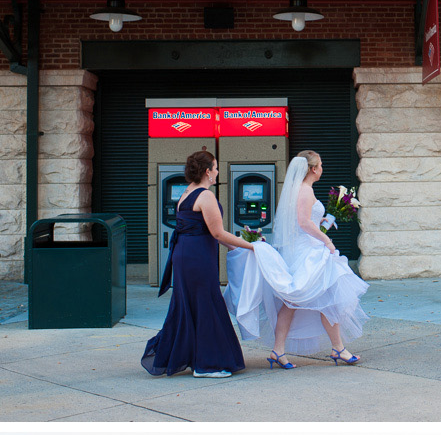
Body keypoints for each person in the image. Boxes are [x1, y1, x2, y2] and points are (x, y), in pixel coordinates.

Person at [234, 149, 368, 367]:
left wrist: (324, 220)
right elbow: (304, 223)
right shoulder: (305, 190)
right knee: (316, 299)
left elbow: (303, 221)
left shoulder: (301, 190)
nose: (322, 169)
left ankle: (288, 350)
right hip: (309, 253)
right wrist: (327, 241)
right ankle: (336, 349)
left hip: (304, 250)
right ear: (313, 169)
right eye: (321, 165)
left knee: (302, 302)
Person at [141, 149, 256, 379]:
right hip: (198, 257)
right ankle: (207, 364)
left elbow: (204, 230)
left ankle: (196, 359)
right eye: (215, 167)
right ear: (207, 171)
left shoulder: (187, 193)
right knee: (205, 304)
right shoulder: (205, 196)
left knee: (190, 305)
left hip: (185, 255)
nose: (217, 171)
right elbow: (218, 233)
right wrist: (251, 246)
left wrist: (238, 247)